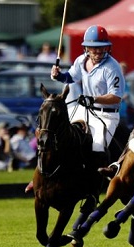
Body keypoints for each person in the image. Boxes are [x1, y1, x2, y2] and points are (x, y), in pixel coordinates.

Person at [48, 25, 125, 194]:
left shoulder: (112, 67)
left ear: (107, 48)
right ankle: (45, 176)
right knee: (60, 133)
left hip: (106, 115)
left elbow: (116, 96)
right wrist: (58, 75)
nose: (97, 52)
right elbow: (70, 77)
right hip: (85, 109)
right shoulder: (81, 61)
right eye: (94, 48)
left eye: (101, 48)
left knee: (97, 146)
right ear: (86, 48)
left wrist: (93, 99)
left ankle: (95, 186)